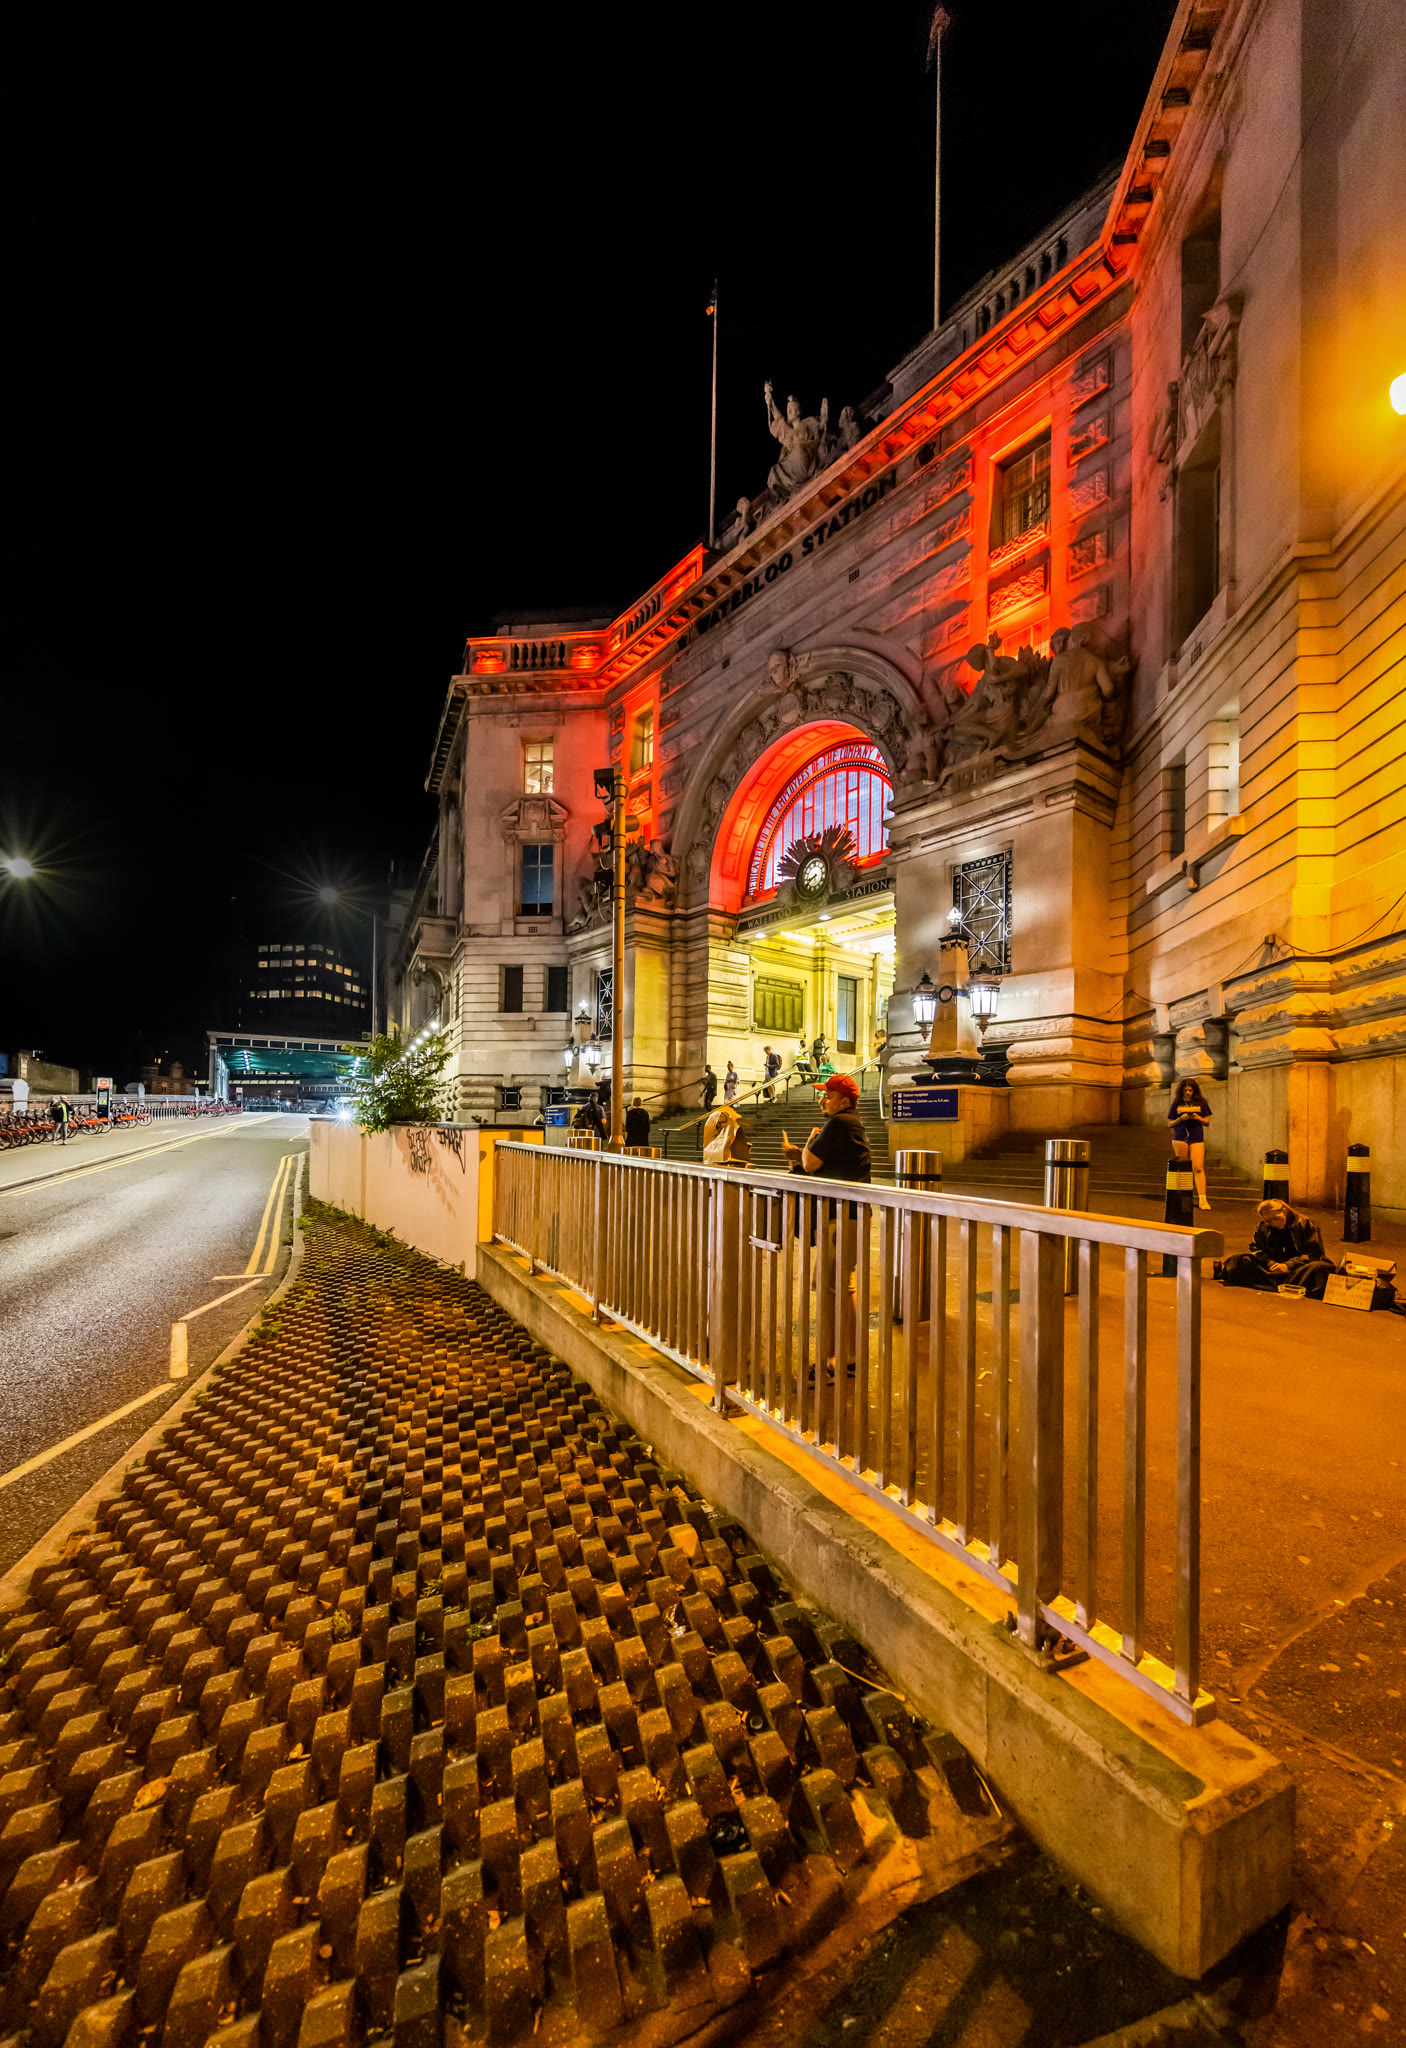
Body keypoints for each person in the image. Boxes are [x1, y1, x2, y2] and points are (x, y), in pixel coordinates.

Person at [782, 1074, 872, 1373]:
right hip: (846, 1215)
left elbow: (811, 1164)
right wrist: (800, 1157)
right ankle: (843, 1357)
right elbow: (816, 1167)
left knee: (836, 1288)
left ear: (844, 1101)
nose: (822, 1100)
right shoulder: (848, 1123)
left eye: (828, 1095)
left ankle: (842, 1360)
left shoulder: (841, 1123)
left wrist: (803, 1151)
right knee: (836, 1287)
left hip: (844, 1216)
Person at [1220, 1200, 1334, 1299]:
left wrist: (1288, 1265)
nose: (1273, 1223)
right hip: (1271, 1268)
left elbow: (1314, 1253)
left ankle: (1284, 1283)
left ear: (1284, 1211)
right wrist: (1270, 1262)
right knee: (1238, 1260)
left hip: (1298, 1269)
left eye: (1276, 1218)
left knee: (1321, 1267)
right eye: (1269, 1221)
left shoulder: (1306, 1224)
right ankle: (1279, 1282)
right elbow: (1256, 1248)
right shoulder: (1263, 1225)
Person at [1167, 1078, 1212, 1209]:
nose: (1188, 1092)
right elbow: (1170, 1123)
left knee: (1198, 1167)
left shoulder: (1201, 1103)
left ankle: (1202, 1199)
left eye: (1190, 1090)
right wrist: (1182, 1118)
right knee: (1183, 1167)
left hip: (1196, 1137)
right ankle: (1182, 1198)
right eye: (1185, 1090)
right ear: (1181, 1090)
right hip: (1180, 1137)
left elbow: (1207, 1122)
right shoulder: (1176, 1103)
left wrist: (1197, 1117)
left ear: (1194, 1090)